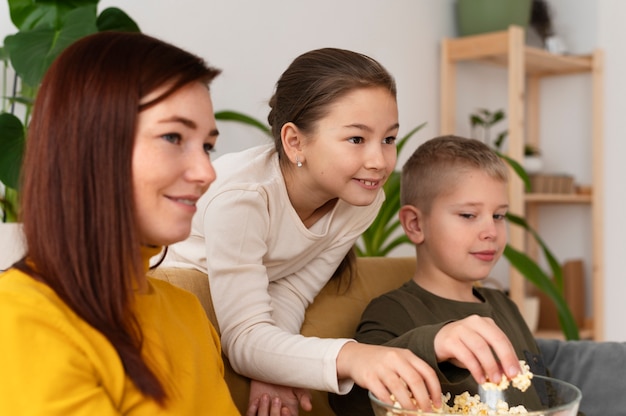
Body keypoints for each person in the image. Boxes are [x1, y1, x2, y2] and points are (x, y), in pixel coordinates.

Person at [163, 47, 442, 415]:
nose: (379, 162)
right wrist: (354, 356)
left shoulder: (361, 199)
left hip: (251, 314)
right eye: (357, 139)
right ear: (295, 141)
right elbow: (243, 336)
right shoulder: (243, 199)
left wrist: (273, 361)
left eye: (388, 139)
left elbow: (291, 288)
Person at [0, 31, 240, 415]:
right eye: (173, 137)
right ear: (90, 146)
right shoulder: (19, 318)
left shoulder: (187, 312)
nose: (206, 171)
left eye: (207, 145)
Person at [329, 135, 535, 415]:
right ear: (415, 224)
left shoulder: (506, 306)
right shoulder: (392, 312)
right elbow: (354, 400)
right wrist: (434, 344)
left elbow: (545, 397)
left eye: (499, 216)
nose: (491, 231)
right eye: (468, 215)